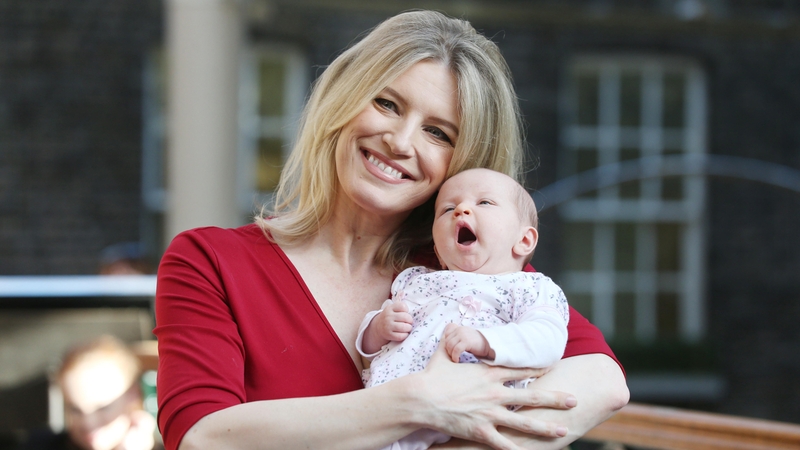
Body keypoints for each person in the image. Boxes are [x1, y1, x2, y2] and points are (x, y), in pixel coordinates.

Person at [155, 10, 628, 450]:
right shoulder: (210, 260)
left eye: (438, 133)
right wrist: (416, 404)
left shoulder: (467, 272)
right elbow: (201, 436)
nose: (400, 142)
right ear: (343, 99)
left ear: (463, 164)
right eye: (387, 104)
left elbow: (602, 382)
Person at [359, 168, 570, 450]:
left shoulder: (528, 288)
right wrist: (377, 328)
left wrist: (486, 342)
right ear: (438, 251)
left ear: (524, 240)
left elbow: (548, 338)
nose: (461, 210)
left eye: (484, 202)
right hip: (386, 402)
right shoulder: (419, 282)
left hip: (467, 406)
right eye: (448, 209)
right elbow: (370, 348)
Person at [18, 335, 160, 450]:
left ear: (133, 394)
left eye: (103, 408)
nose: (88, 423)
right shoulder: (40, 445)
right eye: (75, 409)